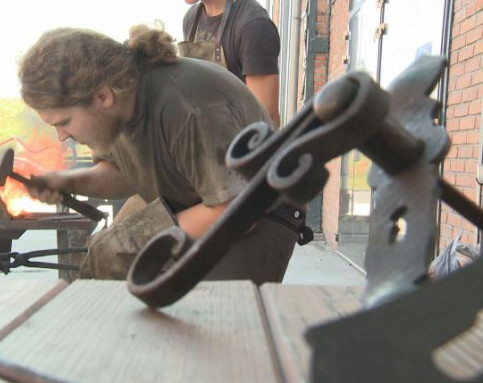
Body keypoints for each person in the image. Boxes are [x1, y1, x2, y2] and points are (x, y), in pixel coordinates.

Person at [18, 26, 302, 283]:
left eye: (64, 122)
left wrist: (142, 237)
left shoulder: (187, 107)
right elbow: (124, 173)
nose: (62, 136)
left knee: (211, 314)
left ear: (102, 96)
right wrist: (66, 182)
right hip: (196, 204)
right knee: (107, 272)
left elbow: (237, 212)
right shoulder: (116, 105)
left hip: (259, 215)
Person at [181, 0, 281, 127]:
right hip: (204, 135)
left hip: (240, 137)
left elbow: (265, 120)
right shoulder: (191, 20)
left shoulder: (253, 25)